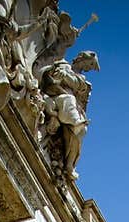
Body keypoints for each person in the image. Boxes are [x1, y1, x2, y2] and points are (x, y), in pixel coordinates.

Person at [38, 50, 99, 180]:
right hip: (53, 97)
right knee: (69, 100)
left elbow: (76, 85)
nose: (88, 69)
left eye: (90, 67)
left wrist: (64, 75)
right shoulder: (61, 63)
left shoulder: (83, 81)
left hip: (67, 105)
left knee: (83, 131)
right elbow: (48, 77)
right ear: (81, 58)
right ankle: (75, 122)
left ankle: (70, 165)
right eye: (89, 65)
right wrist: (57, 75)